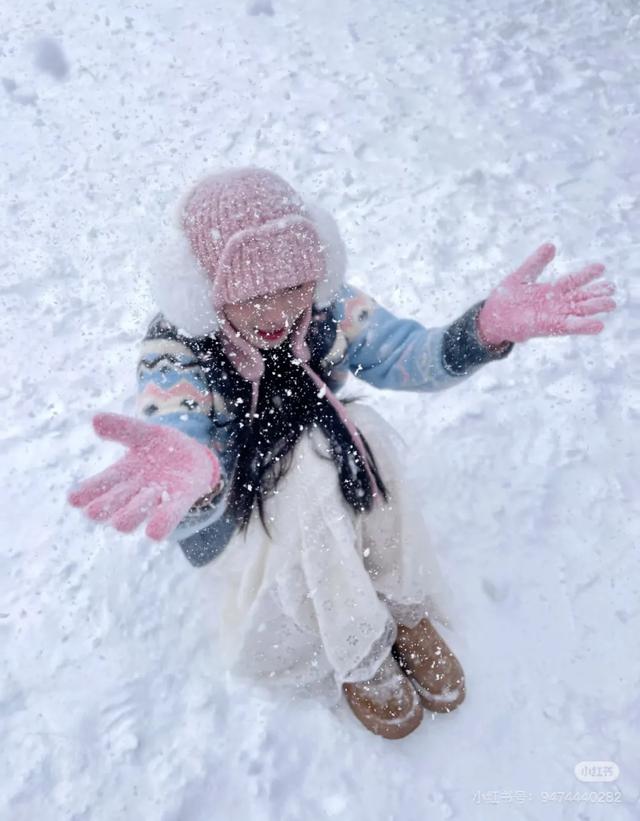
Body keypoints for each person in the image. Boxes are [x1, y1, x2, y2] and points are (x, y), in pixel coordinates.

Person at [68, 167, 616, 739]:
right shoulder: (176, 350)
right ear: (209, 292)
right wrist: (196, 476)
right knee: (309, 473)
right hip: (239, 510)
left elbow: (407, 355)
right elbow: (179, 426)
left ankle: (401, 603)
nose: (279, 311)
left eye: (294, 287)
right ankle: (357, 643)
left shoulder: (326, 309)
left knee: (365, 432)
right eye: (254, 296)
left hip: (318, 460)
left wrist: (479, 331)